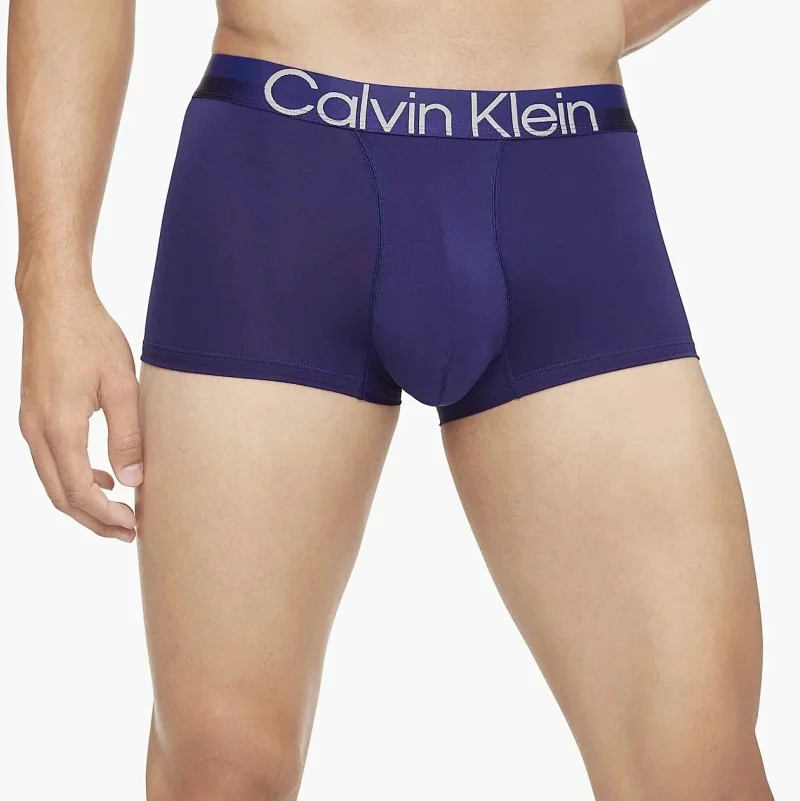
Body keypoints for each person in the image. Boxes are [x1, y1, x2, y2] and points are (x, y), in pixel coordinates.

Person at [8, 0, 775, 799]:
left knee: (698, 767)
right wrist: (53, 282)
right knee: (222, 767)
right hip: (284, 172)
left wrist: (577, 18)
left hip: (562, 171)